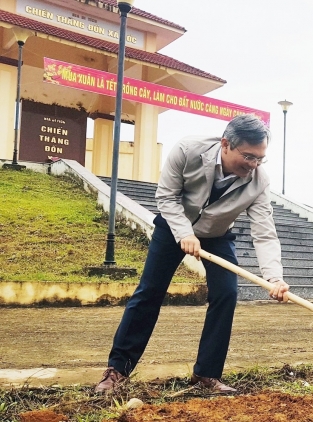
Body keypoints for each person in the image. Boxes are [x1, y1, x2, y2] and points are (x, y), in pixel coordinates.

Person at [94, 114, 290, 394]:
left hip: (217, 236)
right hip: (173, 227)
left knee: (226, 294)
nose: (254, 164)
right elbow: (166, 196)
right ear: (226, 144)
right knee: (149, 292)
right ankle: (117, 371)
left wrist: (274, 277)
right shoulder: (188, 150)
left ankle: (207, 375)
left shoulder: (259, 181)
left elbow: (264, 231)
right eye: (248, 156)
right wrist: (184, 233)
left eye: (260, 158)